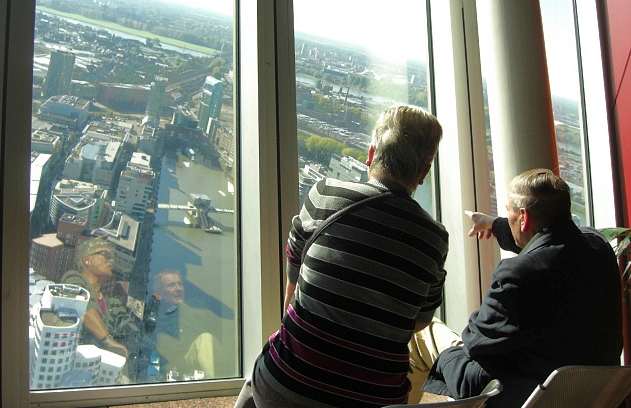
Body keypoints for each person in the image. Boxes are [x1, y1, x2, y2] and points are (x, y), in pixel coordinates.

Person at [234, 104, 449, 408]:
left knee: (264, 371)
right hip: (374, 401)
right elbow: (418, 322)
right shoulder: (434, 239)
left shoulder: (326, 193)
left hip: (287, 388)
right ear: (424, 172)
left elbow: (293, 286)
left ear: (371, 153)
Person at [422, 168, 623, 406]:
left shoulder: (516, 276)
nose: (507, 218)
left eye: (508, 212)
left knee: (437, 342)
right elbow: (551, 240)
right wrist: (494, 224)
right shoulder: (599, 248)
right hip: (585, 393)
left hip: (523, 393)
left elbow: (475, 342)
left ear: (524, 217)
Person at [145, 269, 233, 380]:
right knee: (205, 339)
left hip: (197, 371)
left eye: (180, 284)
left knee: (207, 339)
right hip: (173, 375)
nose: (178, 289)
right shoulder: (154, 322)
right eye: (171, 285)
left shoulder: (195, 310)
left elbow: (228, 314)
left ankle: (218, 384)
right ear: (159, 294)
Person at [61, 239, 130, 358]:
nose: (112, 261)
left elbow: (128, 327)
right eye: (106, 256)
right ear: (87, 259)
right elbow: (83, 306)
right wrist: (109, 340)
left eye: (113, 258)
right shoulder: (72, 277)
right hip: (75, 357)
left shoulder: (113, 302)